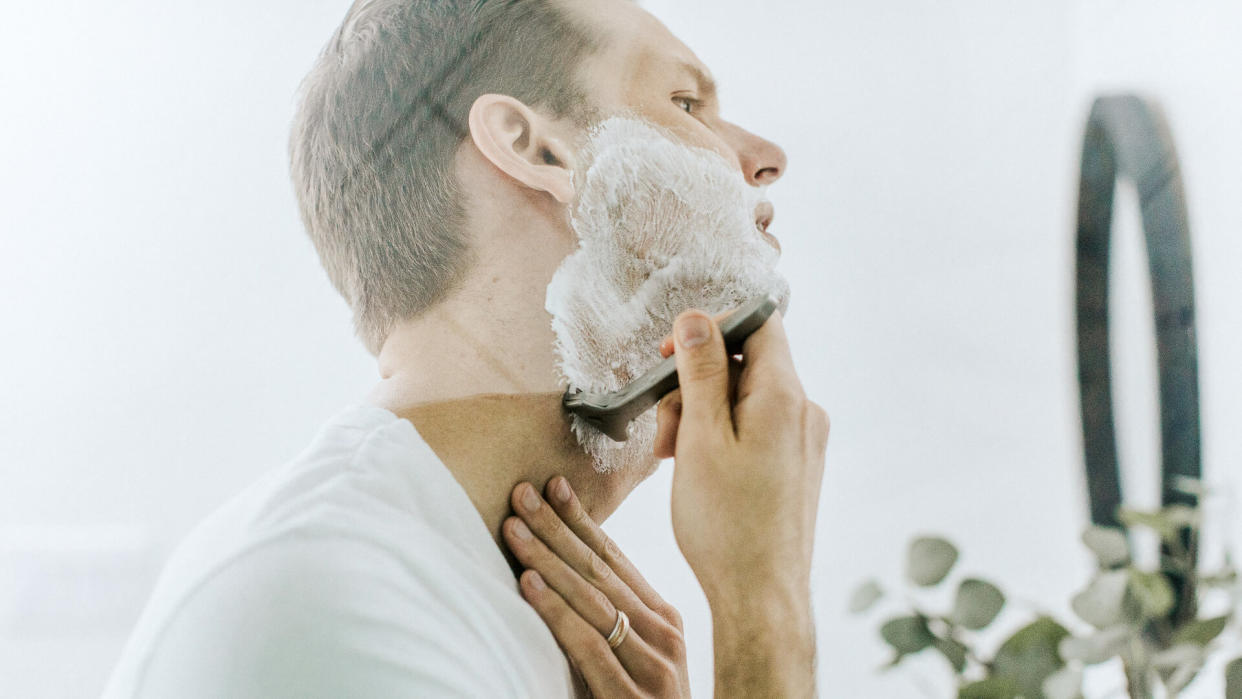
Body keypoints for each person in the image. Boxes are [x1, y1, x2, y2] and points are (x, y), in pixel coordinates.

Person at [103, 0, 828, 696]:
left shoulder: (465, 599)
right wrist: (764, 614)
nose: (766, 159)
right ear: (535, 148)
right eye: (687, 104)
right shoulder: (323, 600)